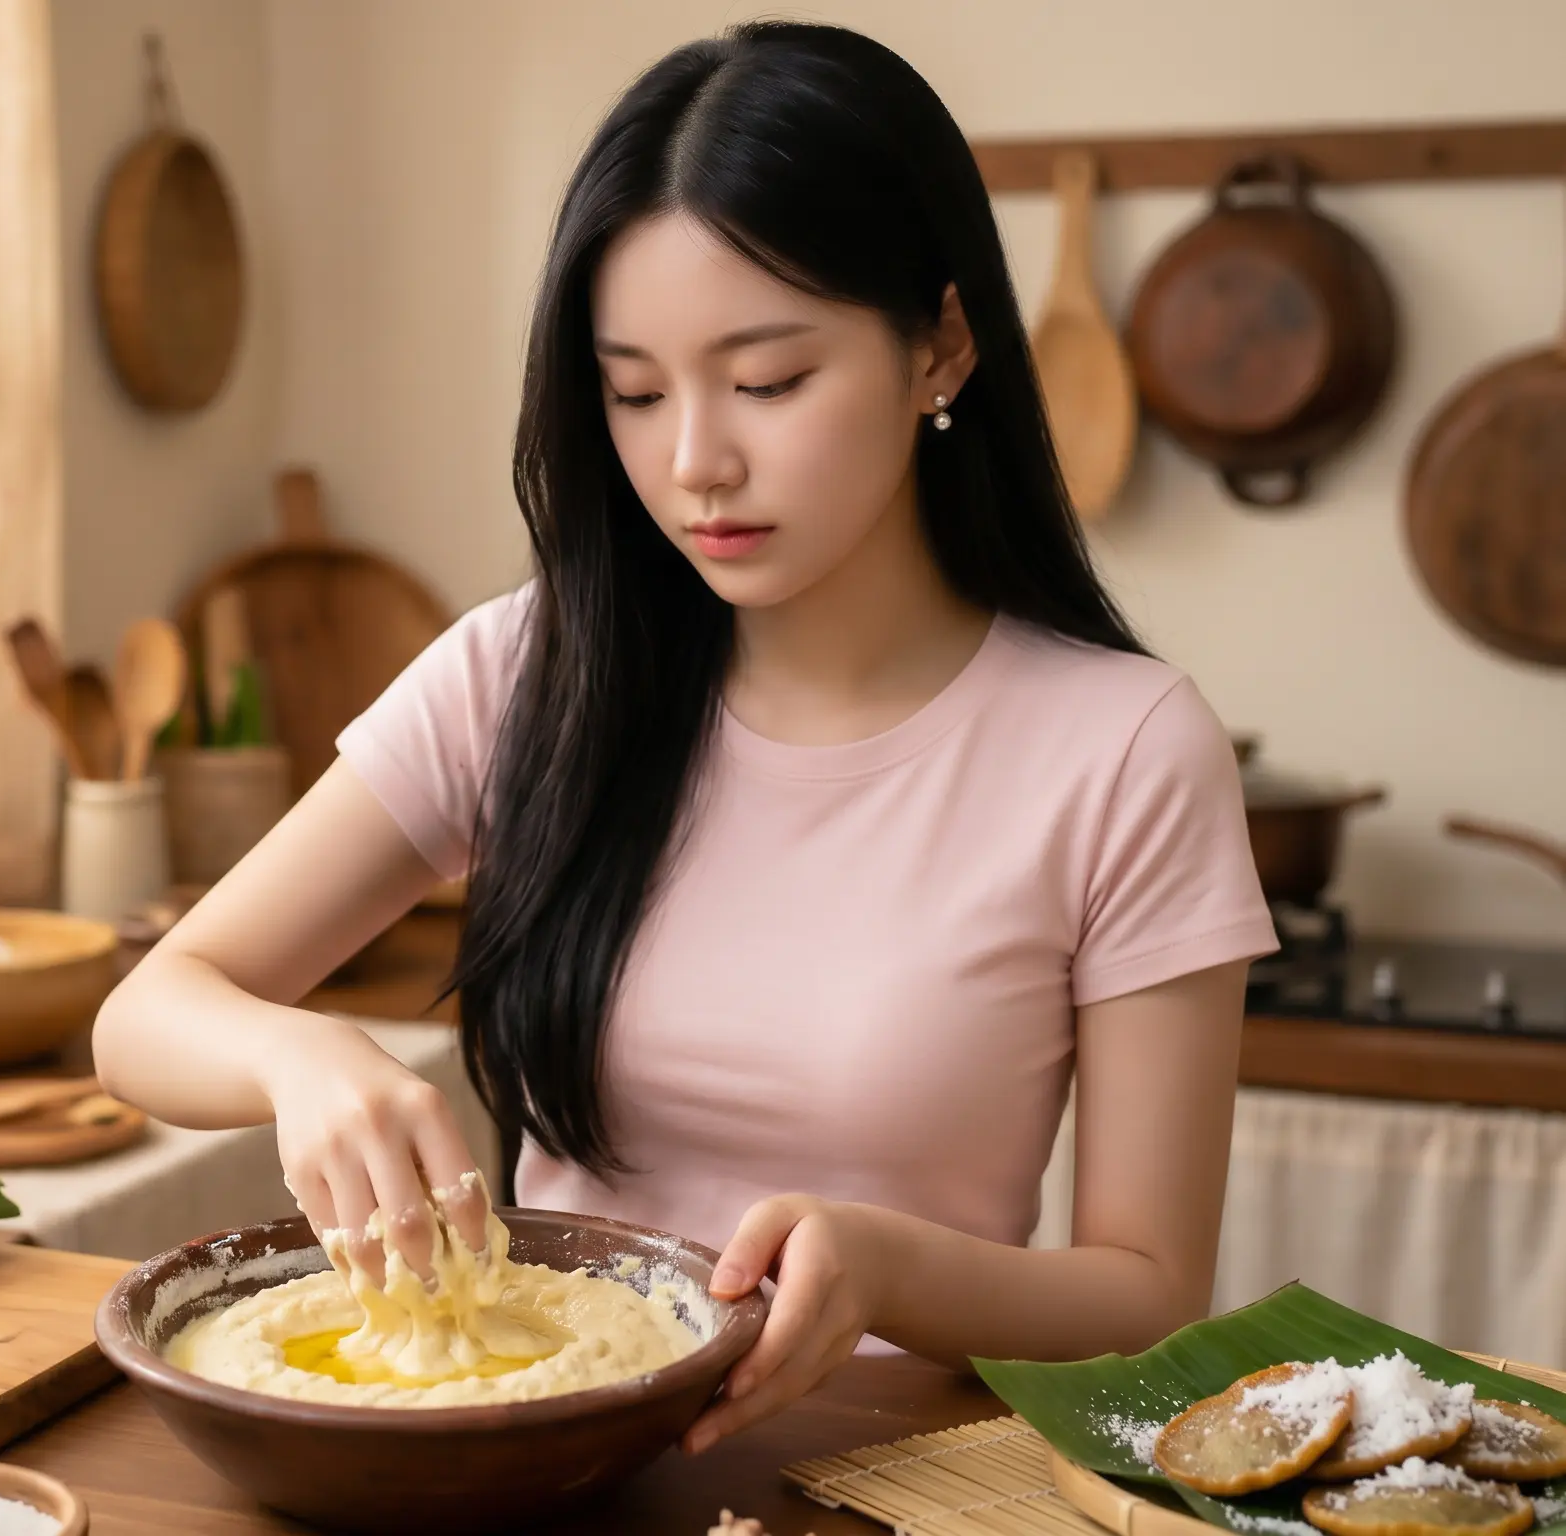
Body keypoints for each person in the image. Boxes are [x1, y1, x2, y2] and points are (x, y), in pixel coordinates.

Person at [91, 20, 1274, 1454]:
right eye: (635, 392)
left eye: (767, 381)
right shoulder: (531, 671)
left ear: (938, 346)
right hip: (534, 1460)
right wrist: (302, 1060)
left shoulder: (1121, 751)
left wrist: (895, 1269)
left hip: (886, 1467)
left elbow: (1150, 1297)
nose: (692, 459)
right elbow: (146, 1016)